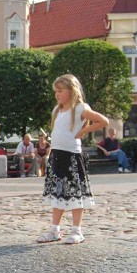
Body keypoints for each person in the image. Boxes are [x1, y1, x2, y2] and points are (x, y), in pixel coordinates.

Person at [38, 74, 108, 245]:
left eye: (60, 91)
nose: (57, 94)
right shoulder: (57, 109)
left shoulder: (79, 108)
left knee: (75, 193)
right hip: (57, 155)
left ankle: (77, 230)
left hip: (72, 156)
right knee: (58, 193)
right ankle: (55, 229)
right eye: (55, 91)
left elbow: (103, 121)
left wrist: (83, 131)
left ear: (71, 90)